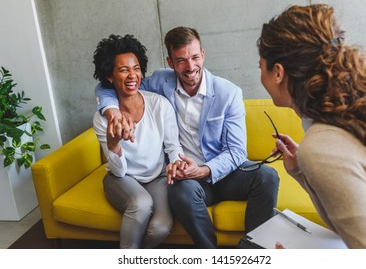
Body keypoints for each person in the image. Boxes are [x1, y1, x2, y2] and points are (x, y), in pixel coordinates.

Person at [95, 26, 280, 248]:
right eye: (181, 60)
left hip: (225, 173)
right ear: (170, 63)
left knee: (267, 176)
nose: (190, 67)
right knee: (179, 192)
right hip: (188, 179)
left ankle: (252, 253)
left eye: (194, 57)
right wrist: (111, 110)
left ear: (203, 54)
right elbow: (111, 86)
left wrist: (204, 170)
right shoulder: (160, 82)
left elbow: (237, 151)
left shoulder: (228, 93)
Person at [257, 4, 366, 248]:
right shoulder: (364, 105)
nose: (260, 75)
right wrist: (300, 168)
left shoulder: (322, 145)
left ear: (278, 72)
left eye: (260, 66)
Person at [92, 34, 186, 249]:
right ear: (109, 76)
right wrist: (114, 144)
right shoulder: (102, 118)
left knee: (161, 227)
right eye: (123, 70)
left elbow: (173, 147)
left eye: (136, 68)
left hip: (157, 177)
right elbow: (118, 170)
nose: (132, 75)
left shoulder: (159, 105)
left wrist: (177, 163)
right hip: (122, 178)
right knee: (141, 204)